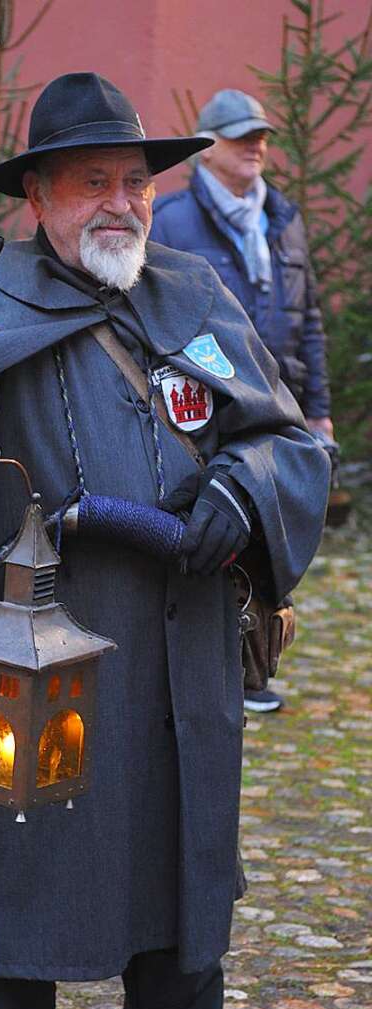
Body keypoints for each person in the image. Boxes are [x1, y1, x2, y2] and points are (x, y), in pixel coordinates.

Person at [0, 73, 330, 1009]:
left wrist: (247, 488)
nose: (122, 205)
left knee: (181, 951)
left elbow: (284, 439)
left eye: (136, 183)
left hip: (178, 688)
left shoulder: (192, 296)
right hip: (34, 689)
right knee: (9, 952)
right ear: (37, 198)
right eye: (92, 183)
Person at [150, 89, 333, 714]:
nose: (257, 144)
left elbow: (307, 320)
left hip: (278, 410)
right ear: (208, 148)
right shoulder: (170, 220)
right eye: (240, 134)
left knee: (273, 539)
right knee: (219, 536)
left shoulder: (282, 217)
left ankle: (255, 666)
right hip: (213, 405)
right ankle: (212, 665)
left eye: (261, 133)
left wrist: (317, 408)